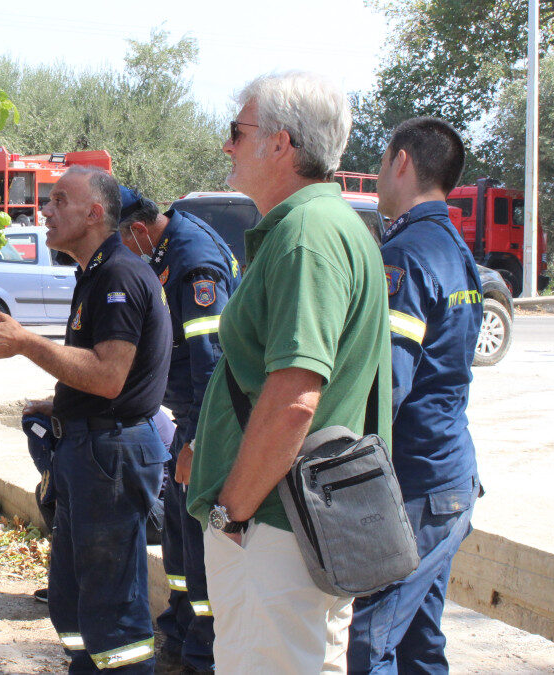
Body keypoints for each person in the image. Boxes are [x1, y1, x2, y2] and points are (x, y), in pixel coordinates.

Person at [184, 71, 392, 673]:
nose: (227, 144)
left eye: (237, 131)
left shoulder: (306, 235)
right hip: (299, 525)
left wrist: (232, 509)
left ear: (280, 144)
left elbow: (295, 397)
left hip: (275, 530)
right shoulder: (327, 225)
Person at [0, 165, 172, 673]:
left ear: (95, 213)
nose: (45, 210)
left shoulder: (119, 275)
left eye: (60, 200)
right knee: (74, 601)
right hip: (90, 449)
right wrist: (60, 404)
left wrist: (26, 342)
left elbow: (108, 376)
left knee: (112, 610)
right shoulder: (97, 273)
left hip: (110, 456)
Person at [347, 118, 483, 674]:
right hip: (448, 478)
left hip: (417, 489)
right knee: (419, 644)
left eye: (382, 161)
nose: (378, 174)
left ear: (401, 162)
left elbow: (388, 386)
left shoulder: (404, 255)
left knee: (369, 643)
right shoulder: (455, 248)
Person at [118, 187, 241, 673]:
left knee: (196, 541)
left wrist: (194, 442)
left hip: (204, 419)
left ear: (138, 230)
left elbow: (212, 364)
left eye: (119, 242)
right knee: (177, 537)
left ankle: (201, 652)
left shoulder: (193, 264)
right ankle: (178, 626)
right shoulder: (168, 245)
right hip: (187, 415)